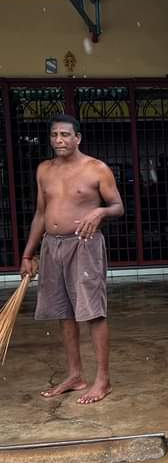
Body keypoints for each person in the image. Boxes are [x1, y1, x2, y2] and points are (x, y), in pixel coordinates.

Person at [20, 114, 124, 404]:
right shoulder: (44, 170)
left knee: (92, 311)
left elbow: (117, 206)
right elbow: (41, 213)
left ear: (78, 138)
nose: (59, 140)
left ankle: (102, 380)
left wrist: (99, 212)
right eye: (55, 136)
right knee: (65, 312)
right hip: (53, 246)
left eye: (65, 135)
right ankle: (75, 374)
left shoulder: (96, 169)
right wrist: (29, 252)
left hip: (84, 245)